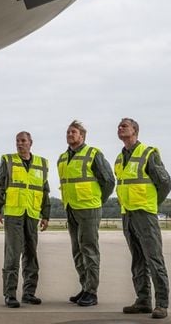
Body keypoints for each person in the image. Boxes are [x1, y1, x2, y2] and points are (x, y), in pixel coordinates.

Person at [115, 118, 171, 319]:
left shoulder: (148, 154)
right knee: (137, 260)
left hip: (145, 214)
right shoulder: (120, 158)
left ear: (135, 131)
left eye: (124, 126)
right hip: (127, 214)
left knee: (154, 258)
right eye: (119, 126)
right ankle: (143, 300)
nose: (120, 128)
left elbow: (164, 183)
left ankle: (162, 304)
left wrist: (152, 204)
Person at [57, 120, 115, 307]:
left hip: (88, 208)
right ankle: (85, 286)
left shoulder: (93, 154)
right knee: (77, 251)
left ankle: (92, 292)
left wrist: (97, 201)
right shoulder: (62, 158)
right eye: (67, 132)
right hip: (71, 208)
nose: (69, 134)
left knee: (89, 249)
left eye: (73, 132)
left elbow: (108, 181)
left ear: (82, 136)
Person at [0, 131, 51, 308]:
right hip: (13, 215)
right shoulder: (8, 160)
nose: (19, 144)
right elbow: (0, 187)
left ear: (30, 143)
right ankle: (10, 294)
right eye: (17, 141)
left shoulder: (42, 164)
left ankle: (29, 293)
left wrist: (46, 215)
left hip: (32, 214)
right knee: (12, 254)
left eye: (23, 141)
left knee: (31, 254)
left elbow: (44, 191)